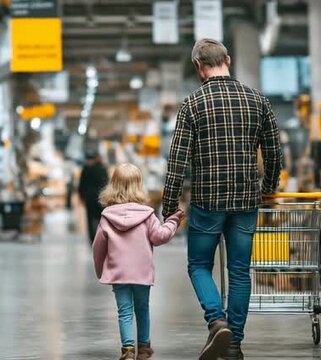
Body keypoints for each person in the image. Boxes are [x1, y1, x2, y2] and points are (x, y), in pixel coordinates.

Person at [160, 39, 283, 360]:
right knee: (240, 271)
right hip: (246, 199)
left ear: (198, 66)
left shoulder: (192, 104)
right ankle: (235, 344)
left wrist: (169, 205)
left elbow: (177, 161)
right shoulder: (258, 101)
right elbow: (273, 154)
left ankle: (217, 321)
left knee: (200, 265)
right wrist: (269, 189)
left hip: (207, 201)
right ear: (228, 59)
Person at [92, 163, 185, 360]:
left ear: (113, 185)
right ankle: (143, 348)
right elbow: (160, 236)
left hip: (118, 273)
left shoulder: (107, 217)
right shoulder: (147, 215)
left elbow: (98, 247)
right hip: (142, 272)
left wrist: (100, 270)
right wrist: (173, 221)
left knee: (124, 311)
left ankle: (127, 350)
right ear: (138, 186)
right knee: (142, 308)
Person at [78, 151, 109, 243]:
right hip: (101, 197)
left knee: (90, 218)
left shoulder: (86, 168)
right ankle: (102, 235)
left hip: (89, 197)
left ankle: (92, 238)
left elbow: (82, 184)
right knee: (102, 217)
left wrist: (82, 196)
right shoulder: (102, 168)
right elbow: (106, 183)